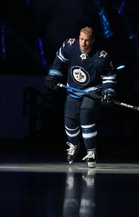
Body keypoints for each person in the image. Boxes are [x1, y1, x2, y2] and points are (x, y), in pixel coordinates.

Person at [45, 26, 117, 168]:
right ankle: (73, 144)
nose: (83, 44)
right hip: (73, 90)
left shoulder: (101, 57)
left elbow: (109, 77)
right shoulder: (70, 46)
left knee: (86, 116)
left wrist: (108, 92)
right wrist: (53, 74)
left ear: (93, 41)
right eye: (81, 39)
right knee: (70, 122)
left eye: (87, 41)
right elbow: (59, 61)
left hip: (91, 91)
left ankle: (91, 151)